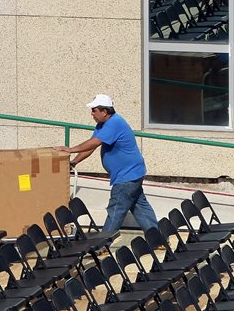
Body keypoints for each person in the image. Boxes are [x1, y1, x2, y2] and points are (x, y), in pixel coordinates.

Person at [55, 95, 159, 236]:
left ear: (104, 112)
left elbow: (95, 143)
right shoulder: (102, 125)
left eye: (94, 110)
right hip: (133, 173)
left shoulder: (115, 123)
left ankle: (104, 243)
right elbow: (91, 147)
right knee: (139, 206)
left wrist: (71, 149)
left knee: (116, 209)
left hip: (126, 176)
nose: (92, 114)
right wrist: (74, 162)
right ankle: (158, 239)